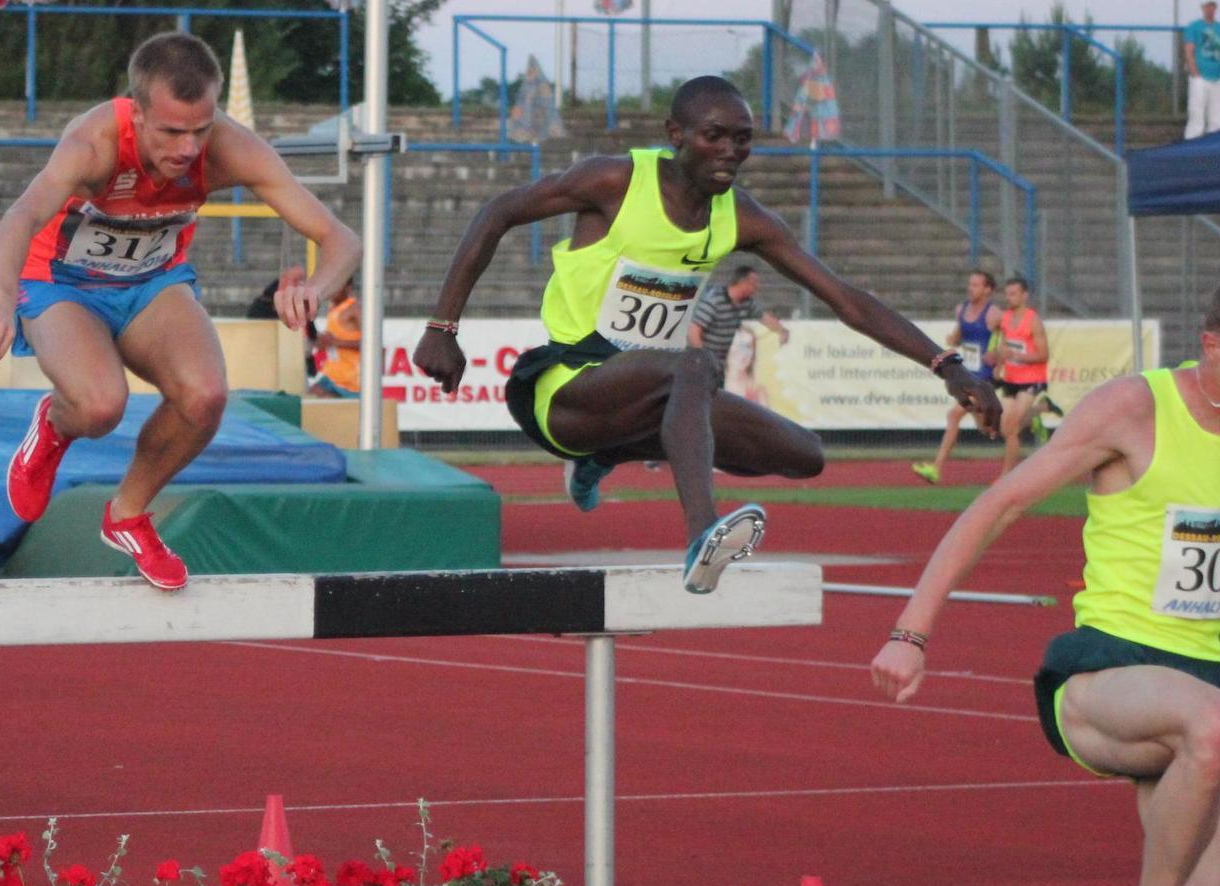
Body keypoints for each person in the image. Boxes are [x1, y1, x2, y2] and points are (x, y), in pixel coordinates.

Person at [872, 270, 1220, 886]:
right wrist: (912, 630)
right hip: (1101, 682)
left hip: (1198, 690)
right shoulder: (1133, 410)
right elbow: (1000, 503)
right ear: (1212, 348)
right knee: (1218, 726)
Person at [413, 75, 999, 594]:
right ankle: (701, 540)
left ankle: (609, 452)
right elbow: (498, 210)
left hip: (644, 396)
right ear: (676, 133)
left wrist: (946, 364)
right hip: (565, 389)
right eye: (714, 135)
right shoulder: (614, 181)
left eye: (742, 138)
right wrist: (443, 327)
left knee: (804, 455)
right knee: (692, 364)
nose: (730, 151)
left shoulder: (741, 217)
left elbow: (846, 298)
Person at [0, 32, 359, 590]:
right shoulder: (93, 144)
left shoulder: (230, 147)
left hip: (152, 281)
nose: (187, 149)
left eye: (200, 130)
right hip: (62, 281)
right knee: (101, 405)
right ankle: (53, 425)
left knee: (206, 396)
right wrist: (3, 297)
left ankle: (127, 514)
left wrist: (316, 288)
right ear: (137, 112)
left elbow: (340, 237)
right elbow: (18, 218)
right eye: (172, 132)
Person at [913, 269, 1002, 485]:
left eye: (976, 285)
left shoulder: (993, 314)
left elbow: (1003, 340)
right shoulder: (961, 310)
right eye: (970, 284)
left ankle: (935, 468)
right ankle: (1030, 416)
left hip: (984, 378)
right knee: (986, 428)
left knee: (954, 415)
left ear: (987, 289)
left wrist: (997, 355)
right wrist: (953, 338)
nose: (970, 289)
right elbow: (958, 335)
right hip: (966, 376)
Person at [991, 275, 1049, 479]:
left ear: (1024, 295)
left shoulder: (1033, 321)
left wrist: (1019, 356)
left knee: (1013, 428)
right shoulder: (1006, 318)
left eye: (1014, 294)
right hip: (1011, 379)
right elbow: (1005, 344)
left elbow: (1043, 354)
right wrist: (999, 364)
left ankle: (1007, 475)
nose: (1009, 298)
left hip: (1031, 379)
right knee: (1005, 427)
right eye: (1007, 294)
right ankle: (1039, 411)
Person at [685, 264, 789, 374]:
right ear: (743, 283)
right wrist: (704, 358)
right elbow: (694, 331)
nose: (757, 287)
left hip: (719, 365)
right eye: (754, 283)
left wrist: (781, 330)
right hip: (699, 364)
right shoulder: (715, 300)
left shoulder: (747, 303)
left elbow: (764, 318)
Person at [1183, 0, 1220, 140]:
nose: (1210, 9)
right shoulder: (1194, 27)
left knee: (1217, 118)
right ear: (1202, 7)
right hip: (1200, 76)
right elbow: (1189, 51)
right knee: (1196, 116)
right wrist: (1195, 74)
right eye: (1208, 6)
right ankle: (1192, 146)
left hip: (1218, 76)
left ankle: (1215, 147)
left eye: (1213, 6)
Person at [309, 282, 360, 398]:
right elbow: (332, 341)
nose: (332, 291)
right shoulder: (333, 309)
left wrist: (335, 342)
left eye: (337, 286)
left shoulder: (355, 309)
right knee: (309, 402)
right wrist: (322, 343)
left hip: (350, 381)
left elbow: (372, 342)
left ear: (348, 287)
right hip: (333, 375)